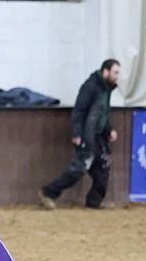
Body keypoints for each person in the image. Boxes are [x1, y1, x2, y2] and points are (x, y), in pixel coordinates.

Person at [39, 59, 120, 209]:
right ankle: (48, 193)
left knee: (103, 169)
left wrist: (109, 129)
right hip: (87, 135)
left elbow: (104, 112)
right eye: (115, 72)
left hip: (99, 137)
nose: (117, 76)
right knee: (78, 169)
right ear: (106, 71)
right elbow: (79, 111)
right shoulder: (90, 86)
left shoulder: (106, 89)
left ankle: (94, 202)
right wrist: (77, 134)